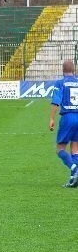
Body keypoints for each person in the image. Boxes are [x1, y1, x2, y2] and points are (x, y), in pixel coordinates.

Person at [49, 59, 78, 188]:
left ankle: (73, 168)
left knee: (60, 149)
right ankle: (73, 179)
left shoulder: (60, 83)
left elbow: (56, 101)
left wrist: (51, 118)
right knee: (75, 148)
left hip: (68, 117)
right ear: (74, 70)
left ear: (63, 70)